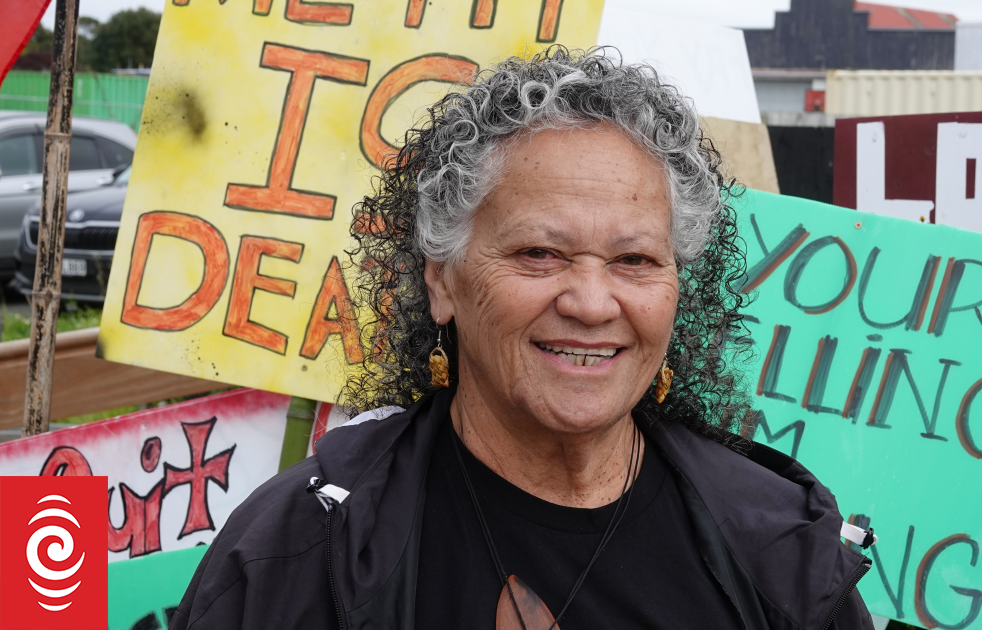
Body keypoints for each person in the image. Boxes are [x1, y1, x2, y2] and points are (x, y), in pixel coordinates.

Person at [169, 47, 874, 630]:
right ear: (442, 281)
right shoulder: (297, 554)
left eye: (635, 260)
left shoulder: (780, 553)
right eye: (540, 253)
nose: (592, 304)